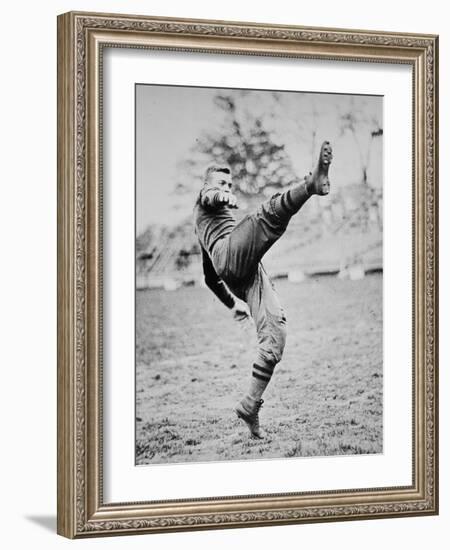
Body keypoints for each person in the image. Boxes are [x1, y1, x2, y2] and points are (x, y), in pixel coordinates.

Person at [193, 141, 333, 439]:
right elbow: (210, 196)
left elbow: (209, 277)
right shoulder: (205, 201)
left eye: (229, 183)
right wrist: (221, 194)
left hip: (241, 272)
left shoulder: (210, 226)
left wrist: (233, 305)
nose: (226, 187)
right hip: (230, 256)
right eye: (221, 182)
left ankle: (250, 404)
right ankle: (311, 184)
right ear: (206, 185)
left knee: (275, 333)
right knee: (265, 217)